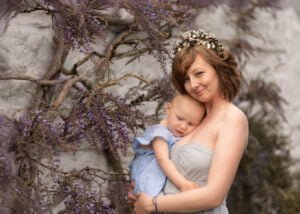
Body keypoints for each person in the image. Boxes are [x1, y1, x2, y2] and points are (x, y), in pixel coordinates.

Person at [129, 29, 249, 213]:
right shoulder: (192, 121)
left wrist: (153, 203)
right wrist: (142, 192)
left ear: (218, 69)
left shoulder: (232, 119)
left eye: (199, 73)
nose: (193, 84)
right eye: (186, 79)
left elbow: (213, 196)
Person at [130, 92, 206, 196]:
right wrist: (182, 184)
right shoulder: (160, 133)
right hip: (148, 181)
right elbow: (163, 160)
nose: (183, 126)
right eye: (179, 118)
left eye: (191, 124)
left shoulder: (174, 133)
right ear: (168, 109)